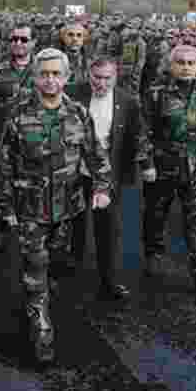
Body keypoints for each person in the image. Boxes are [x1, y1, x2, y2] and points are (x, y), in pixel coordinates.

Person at [0, 47, 112, 364]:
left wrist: (102, 187)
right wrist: (5, 208)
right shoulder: (18, 116)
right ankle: (41, 334)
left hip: (67, 209)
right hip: (30, 209)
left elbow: (96, 155)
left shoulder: (79, 114)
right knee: (35, 270)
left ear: (67, 77)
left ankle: (44, 299)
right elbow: (5, 166)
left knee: (56, 266)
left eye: (56, 74)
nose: (50, 80)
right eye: (44, 74)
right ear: (35, 77)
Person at [140, 43, 196, 295]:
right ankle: (153, 255)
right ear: (171, 65)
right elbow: (143, 131)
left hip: (195, 167)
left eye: (191, 63)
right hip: (164, 165)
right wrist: (146, 164)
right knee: (156, 213)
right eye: (181, 62)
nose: (186, 67)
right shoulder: (156, 93)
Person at [69, 55, 146, 300]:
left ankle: (109, 279)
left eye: (107, 78)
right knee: (73, 223)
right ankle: (70, 269)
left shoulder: (128, 101)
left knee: (108, 228)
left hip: (107, 175)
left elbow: (136, 136)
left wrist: (139, 169)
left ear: (116, 77)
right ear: (88, 75)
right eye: (96, 78)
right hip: (75, 171)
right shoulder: (73, 93)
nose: (101, 83)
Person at [0, 23, 38, 252]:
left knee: (33, 187)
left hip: (34, 141)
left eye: (23, 39)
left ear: (33, 42)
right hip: (2, 141)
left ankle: (29, 232)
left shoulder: (42, 69)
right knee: (2, 188)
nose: (18, 43)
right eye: (14, 39)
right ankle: (2, 231)